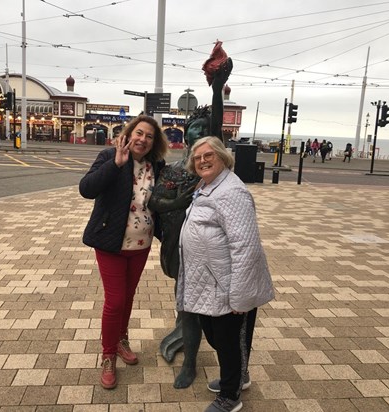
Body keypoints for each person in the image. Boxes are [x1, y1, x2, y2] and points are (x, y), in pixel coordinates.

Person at [148, 50, 232, 389]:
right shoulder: (171, 170)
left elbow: (216, 127)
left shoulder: (212, 169)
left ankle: (191, 364)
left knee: (195, 308)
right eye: (194, 129)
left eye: (205, 131)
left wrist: (216, 88)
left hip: (202, 252)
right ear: (185, 135)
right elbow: (153, 200)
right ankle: (184, 331)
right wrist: (176, 204)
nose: (199, 135)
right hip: (174, 248)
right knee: (185, 303)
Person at [177, 136, 274, 412]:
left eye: (209, 155)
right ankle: (238, 376)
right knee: (217, 337)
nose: (203, 161)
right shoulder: (208, 186)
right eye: (197, 158)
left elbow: (246, 247)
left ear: (223, 157)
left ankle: (230, 396)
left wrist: (240, 298)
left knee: (229, 341)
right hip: (210, 281)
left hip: (228, 284)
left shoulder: (231, 191)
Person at [79, 115, 168, 389]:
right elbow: (87, 189)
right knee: (115, 301)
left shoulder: (157, 166)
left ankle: (121, 340)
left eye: (149, 136)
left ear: (155, 142)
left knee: (128, 298)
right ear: (130, 133)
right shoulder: (110, 155)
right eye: (139, 133)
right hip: (111, 243)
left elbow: (160, 204)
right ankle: (108, 355)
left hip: (140, 245)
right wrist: (115, 165)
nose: (142, 139)